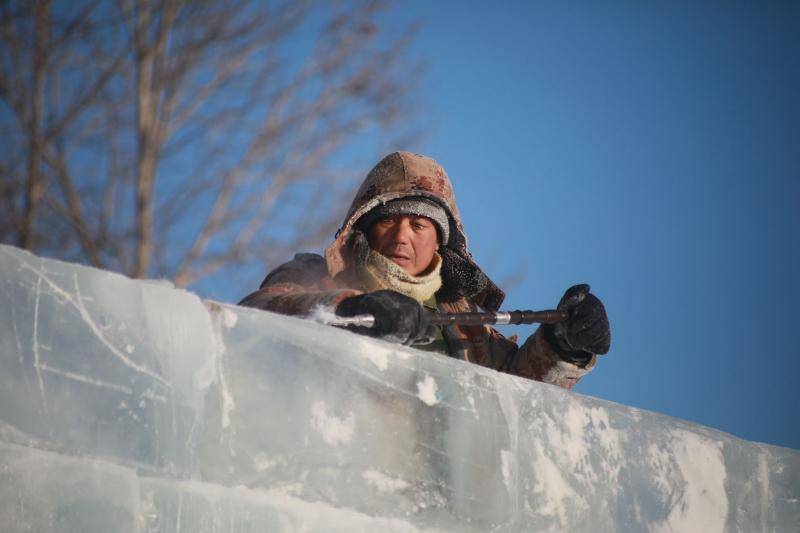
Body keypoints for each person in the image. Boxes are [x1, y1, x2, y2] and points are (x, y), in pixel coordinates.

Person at [239, 152, 610, 390]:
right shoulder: (315, 276)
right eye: (388, 223)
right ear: (364, 230)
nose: (402, 238)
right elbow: (257, 313)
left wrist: (562, 346)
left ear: (440, 244)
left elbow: (518, 394)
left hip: (438, 500)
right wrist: (354, 310)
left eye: (418, 226)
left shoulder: (466, 327)